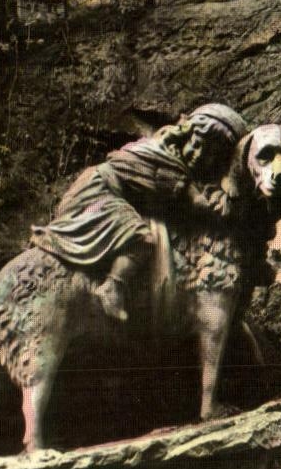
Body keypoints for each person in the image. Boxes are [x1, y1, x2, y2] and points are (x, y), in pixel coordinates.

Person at [30, 103, 247, 320]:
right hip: (98, 196)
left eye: (210, 154)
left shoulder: (170, 157)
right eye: (196, 144)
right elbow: (197, 203)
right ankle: (112, 286)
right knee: (141, 238)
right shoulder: (164, 159)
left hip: (103, 191)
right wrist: (229, 204)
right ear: (185, 133)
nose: (198, 155)